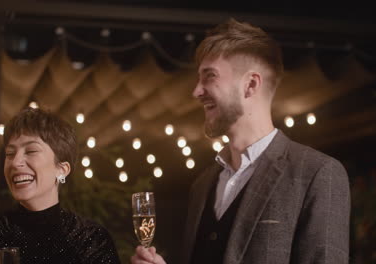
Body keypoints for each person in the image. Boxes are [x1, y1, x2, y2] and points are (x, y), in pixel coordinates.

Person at [132, 18, 351, 264]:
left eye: (209, 76)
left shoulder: (317, 173)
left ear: (250, 84)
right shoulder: (203, 185)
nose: (196, 91)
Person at [0, 107, 121, 264]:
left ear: (62, 170)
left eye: (31, 151)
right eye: (9, 154)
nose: (15, 162)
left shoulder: (91, 239)